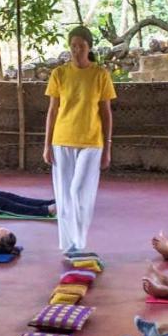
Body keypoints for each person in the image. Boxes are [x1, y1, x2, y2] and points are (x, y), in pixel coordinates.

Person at [44, 25, 116, 253]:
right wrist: (47, 145)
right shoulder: (59, 74)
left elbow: (106, 113)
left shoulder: (100, 75)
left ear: (89, 47)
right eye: (73, 46)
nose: (76, 50)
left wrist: (107, 148)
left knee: (78, 192)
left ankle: (79, 242)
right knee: (64, 197)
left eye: (81, 46)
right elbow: (53, 111)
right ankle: (68, 245)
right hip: (62, 140)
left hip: (91, 142)